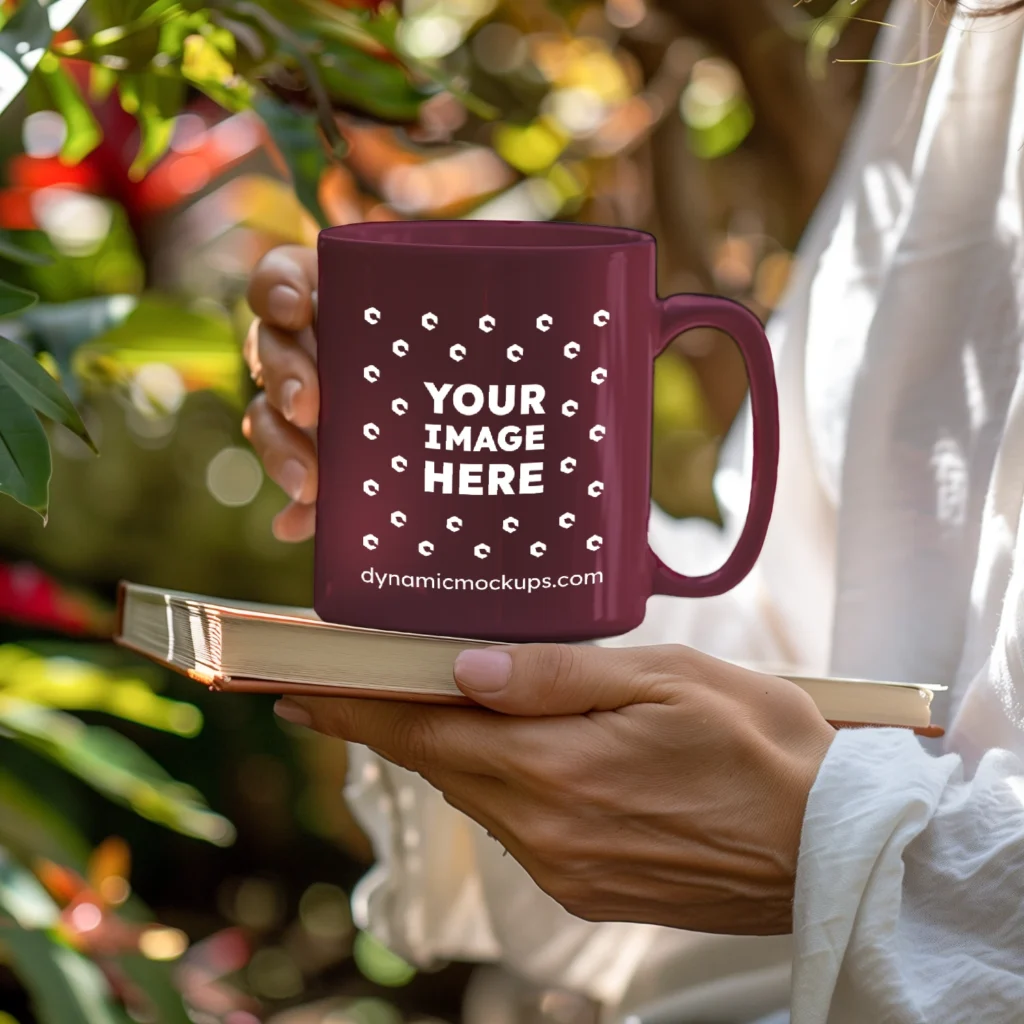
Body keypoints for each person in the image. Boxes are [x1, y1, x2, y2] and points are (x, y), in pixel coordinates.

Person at [241, 1, 1024, 1020]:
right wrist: (464, 517)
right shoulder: (955, 37)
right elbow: (836, 649)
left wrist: (841, 848)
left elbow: (862, 788)